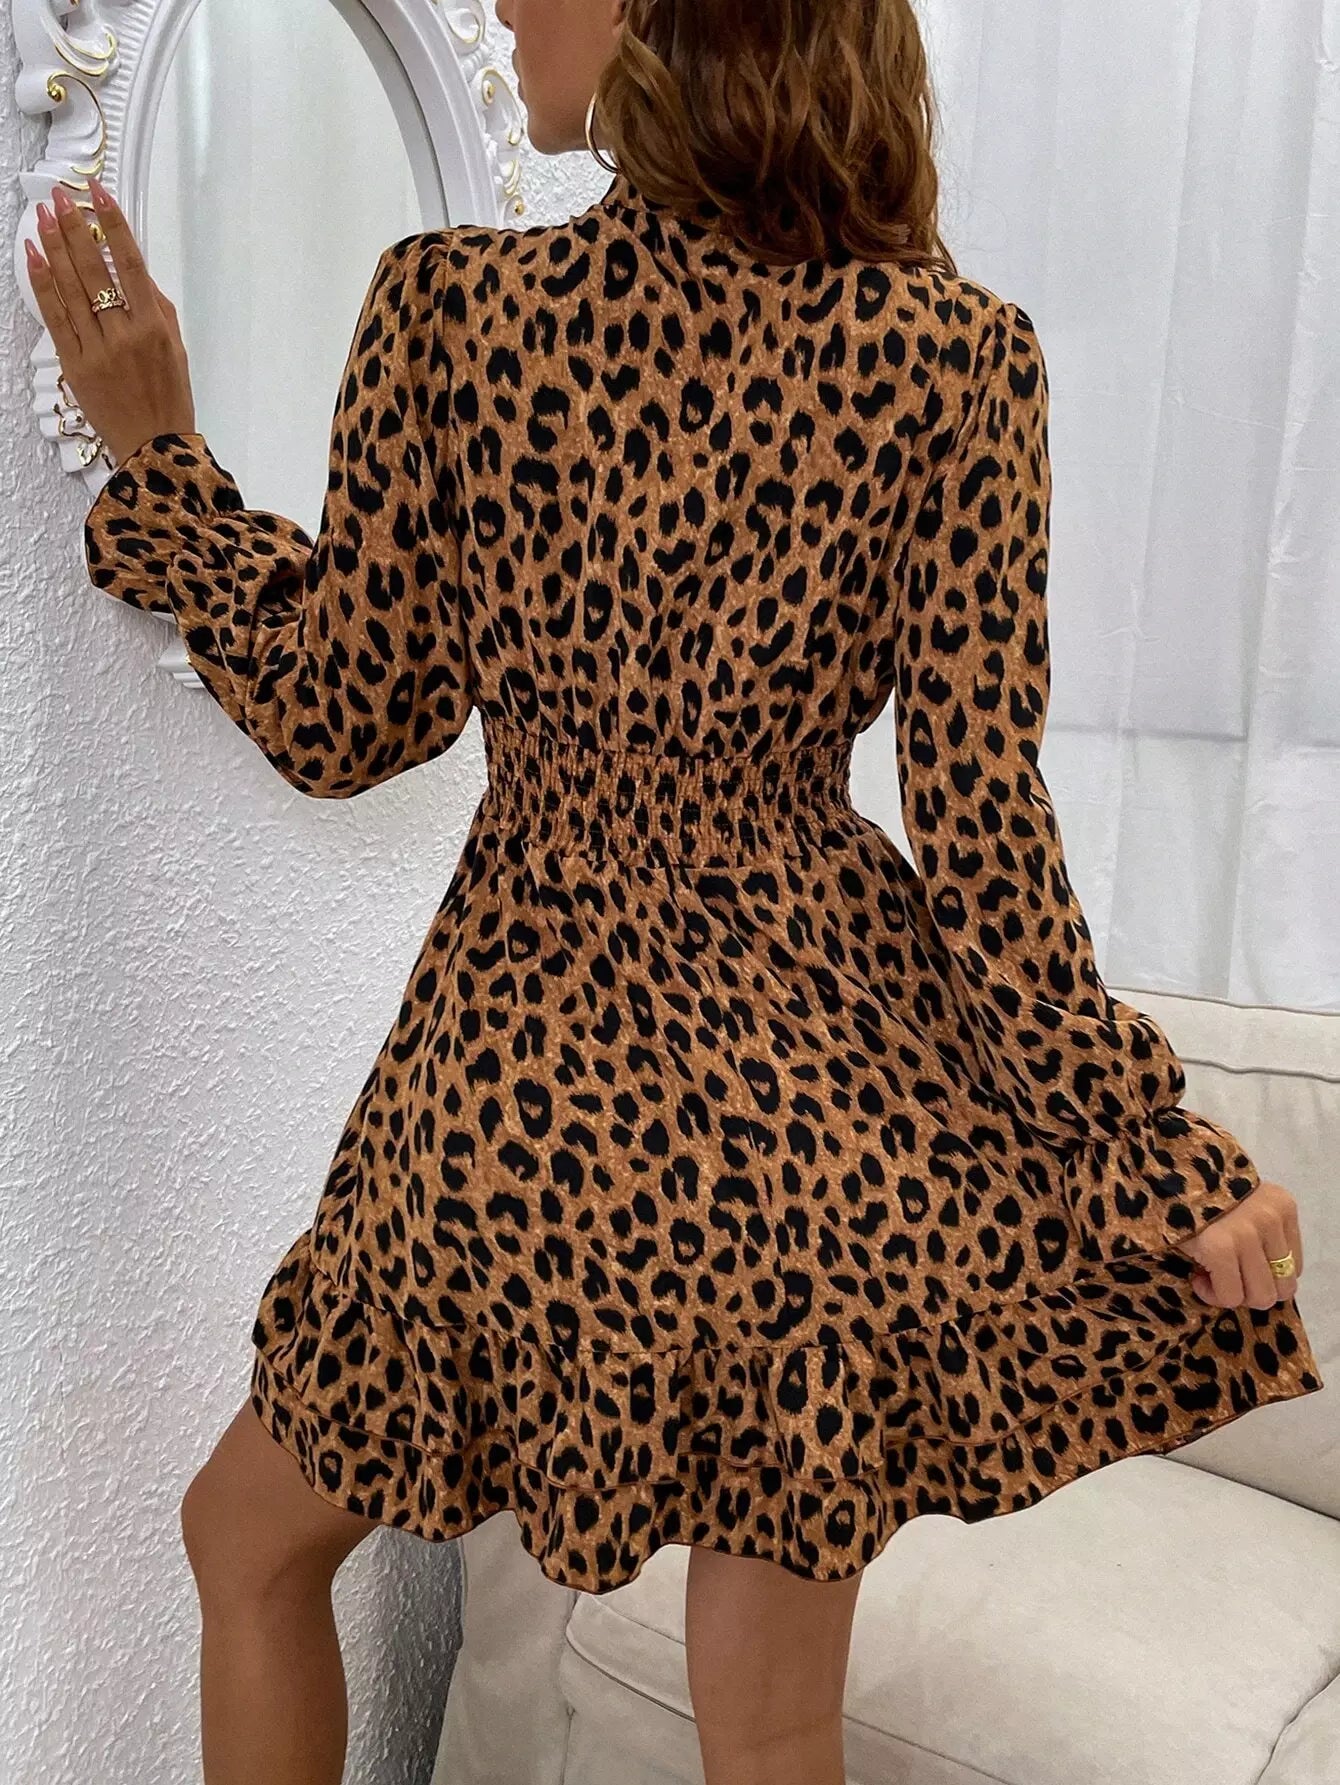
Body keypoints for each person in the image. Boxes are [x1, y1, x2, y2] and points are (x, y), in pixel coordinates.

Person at [26, 1, 1324, 1781]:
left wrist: (165, 470)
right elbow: (983, 835)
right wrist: (1146, 1145)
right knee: (770, 1726)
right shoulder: (959, 360)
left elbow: (349, 711)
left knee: (244, 1540)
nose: (501, 8)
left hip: (520, 1088)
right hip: (810, 1120)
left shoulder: (455, 313)